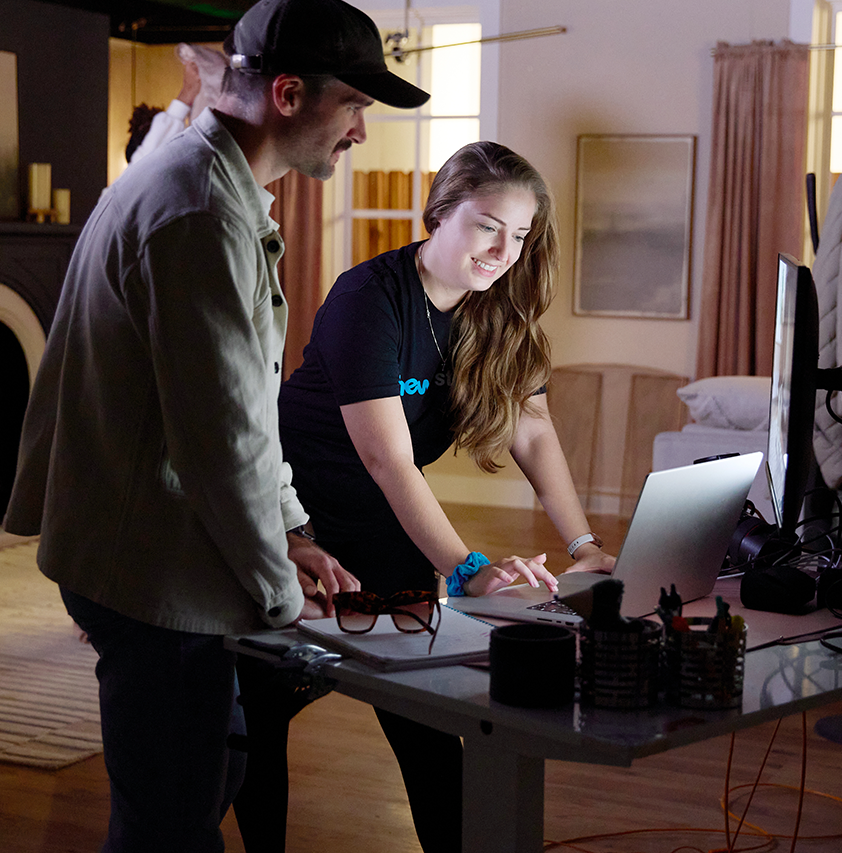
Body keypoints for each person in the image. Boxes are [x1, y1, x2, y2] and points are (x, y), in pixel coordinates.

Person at [2, 0, 430, 849]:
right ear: (286, 93)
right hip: (147, 564)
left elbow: (241, 409)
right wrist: (280, 598)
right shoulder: (201, 212)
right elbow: (224, 440)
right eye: (354, 106)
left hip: (149, 547)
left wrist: (296, 531)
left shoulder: (212, 187)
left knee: (207, 777)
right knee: (169, 821)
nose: (360, 133)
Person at [233, 141, 617, 853]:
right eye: (487, 225)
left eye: (521, 234)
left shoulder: (495, 310)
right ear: (440, 213)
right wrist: (468, 566)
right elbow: (389, 460)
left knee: (426, 713)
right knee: (263, 709)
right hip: (289, 515)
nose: (504, 249)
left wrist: (583, 544)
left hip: (380, 522)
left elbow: (533, 430)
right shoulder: (367, 298)